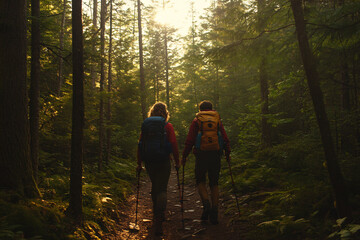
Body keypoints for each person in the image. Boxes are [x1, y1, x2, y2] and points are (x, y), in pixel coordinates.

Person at [182, 100, 230, 224]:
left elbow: (190, 140)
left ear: (200, 109)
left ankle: (205, 202)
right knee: (214, 182)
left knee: (200, 180)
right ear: (211, 108)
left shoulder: (197, 120)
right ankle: (214, 210)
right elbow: (224, 138)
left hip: (201, 155)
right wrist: (227, 153)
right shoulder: (217, 119)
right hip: (215, 154)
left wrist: (184, 156)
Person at [137, 102, 180, 235]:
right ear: (165, 112)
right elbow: (173, 143)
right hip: (164, 160)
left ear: (152, 112)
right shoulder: (168, 126)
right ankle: (160, 215)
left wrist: (139, 163)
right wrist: (177, 161)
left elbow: (140, 144)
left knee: (155, 185)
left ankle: (156, 214)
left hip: (149, 161)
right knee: (162, 188)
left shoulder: (146, 125)